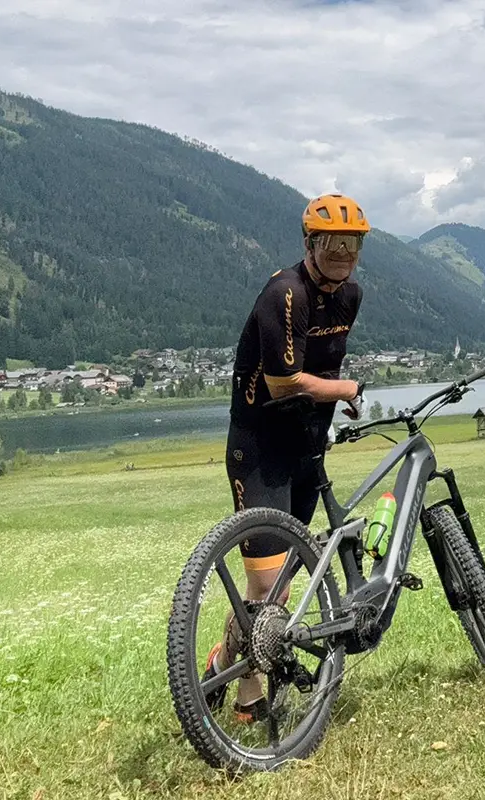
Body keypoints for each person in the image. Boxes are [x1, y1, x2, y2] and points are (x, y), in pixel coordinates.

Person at [203, 193, 369, 722]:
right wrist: (344, 389)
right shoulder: (284, 293)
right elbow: (282, 382)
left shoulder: (351, 297)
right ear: (310, 243)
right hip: (259, 449)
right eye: (333, 242)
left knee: (280, 580)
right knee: (263, 579)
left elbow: (324, 360)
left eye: (353, 243)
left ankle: (220, 662)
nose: (343, 253)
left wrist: (335, 401)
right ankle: (248, 695)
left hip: (305, 448)